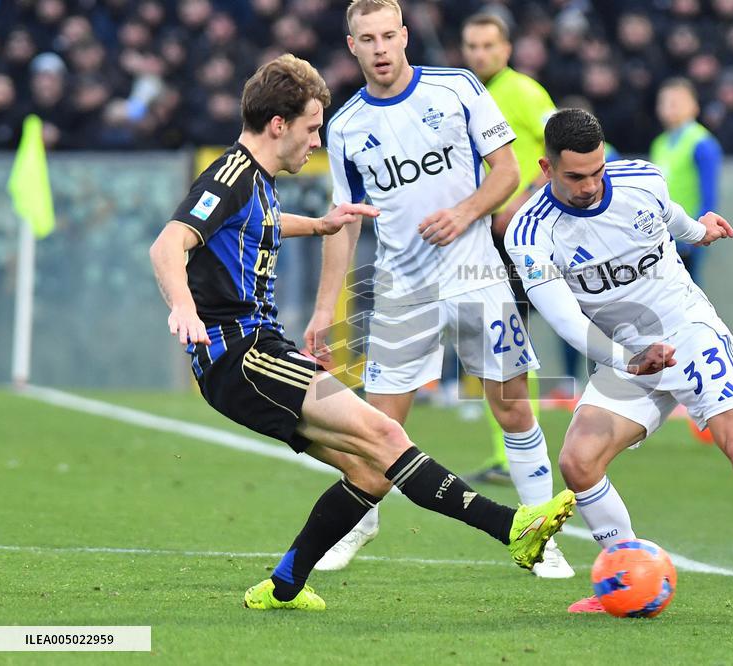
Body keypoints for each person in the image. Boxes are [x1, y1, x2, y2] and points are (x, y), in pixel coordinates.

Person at [148, 53, 575, 612]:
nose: (316, 142)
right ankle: (512, 528)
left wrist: (320, 225)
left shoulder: (257, 179)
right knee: (385, 434)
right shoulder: (230, 176)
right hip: (241, 355)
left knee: (371, 471)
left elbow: (254, 225)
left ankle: (283, 586)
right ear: (278, 125)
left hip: (256, 351)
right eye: (310, 129)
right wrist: (184, 308)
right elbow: (168, 244)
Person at [505, 108, 733, 618]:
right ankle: (625, 577)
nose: (590, 185)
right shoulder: (529, 234)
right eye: (575, 177)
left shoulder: (642, 180)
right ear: (546, 169)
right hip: (624, 354)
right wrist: (628, 359)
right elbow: (567, 321)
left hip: (689, 332)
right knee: (578, 461)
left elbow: (673, 217)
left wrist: (699, 232)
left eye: (597, 171)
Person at [303, 0, 572, 578]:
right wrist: (325, 310)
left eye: (387, 35)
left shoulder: (457, 88)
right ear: (352, 46)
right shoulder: (346, 127)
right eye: (367, 39)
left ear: (404, 36)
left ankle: (542, 536)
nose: (379, 48)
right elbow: (344, 222)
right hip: (403, 291)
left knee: (512, 406)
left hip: (477, 277)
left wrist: (464, 213)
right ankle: (359, 524)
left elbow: (507, 170)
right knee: (378, 426)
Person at [461, 12, 575, 502]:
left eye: (488, 45)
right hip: (489, 235)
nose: (480, 53)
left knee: (510, 339)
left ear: (507, 49)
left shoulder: (524, 92)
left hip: (525, 235)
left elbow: (564, 143)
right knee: (500, 339)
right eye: (472, 46)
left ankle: (521, 455)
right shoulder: (467, 93)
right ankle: (507, 454)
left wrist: (524, 197)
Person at [648, 78, 721, 286]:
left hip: (688, 234)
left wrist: (698, 233)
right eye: (664, 102)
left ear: (694, 106)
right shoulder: (659, 143)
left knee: (688, 289)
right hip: (663, 235)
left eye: (676, 102)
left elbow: (709, 196)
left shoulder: (702, 143)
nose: (668, 108)